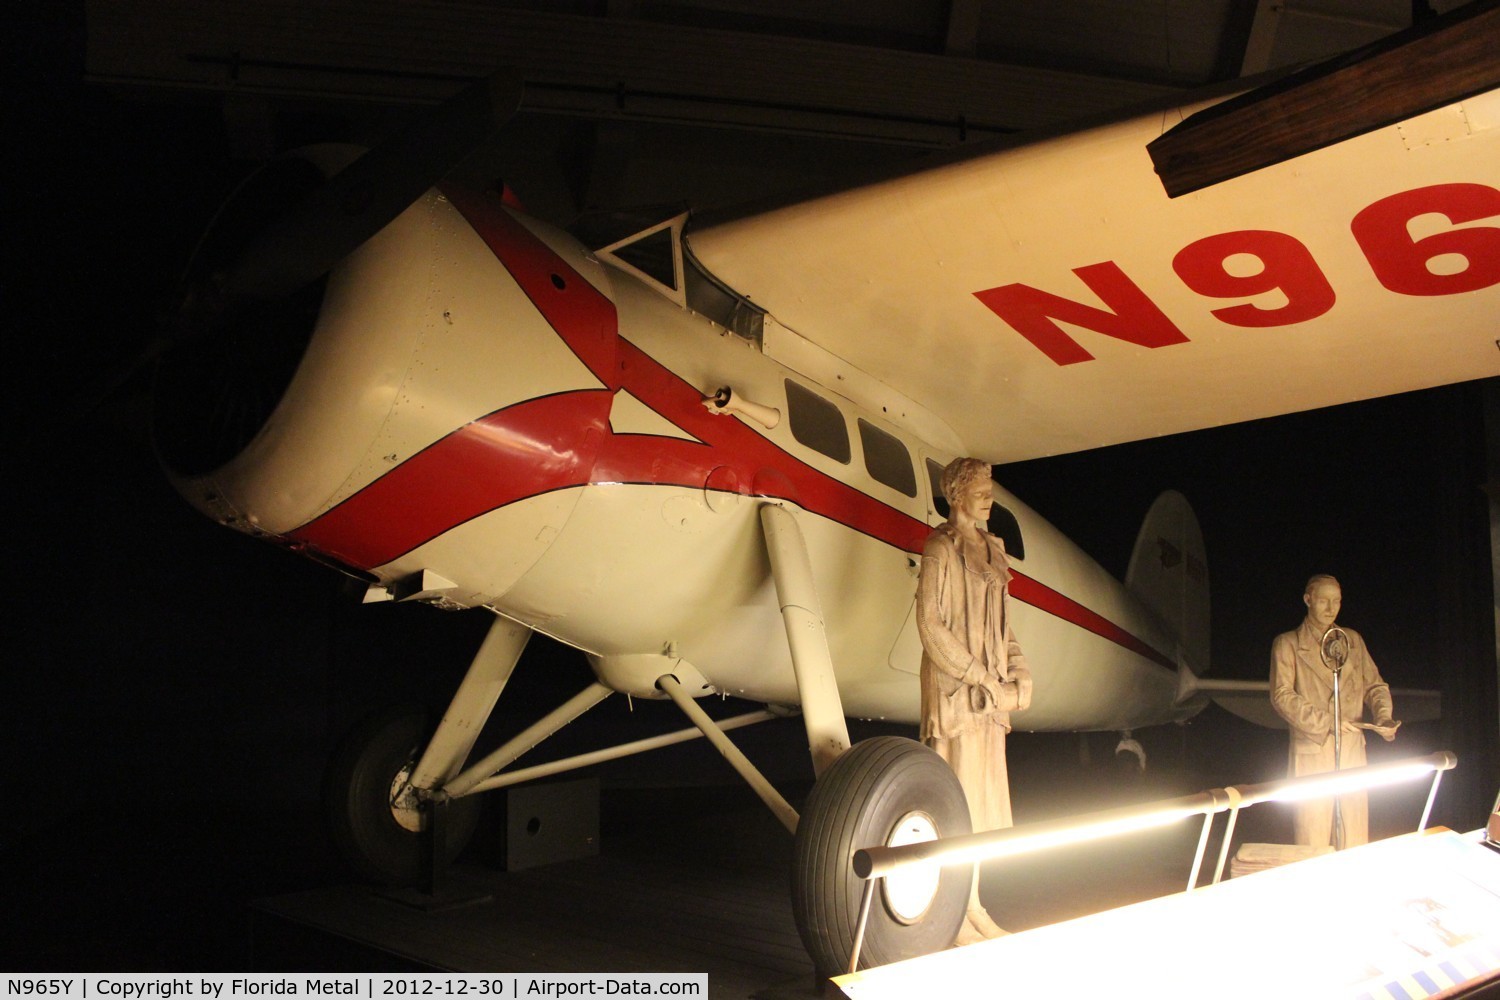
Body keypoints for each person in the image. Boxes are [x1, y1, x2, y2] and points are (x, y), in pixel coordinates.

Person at [917, 457, 1032, 943]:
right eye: (982, 491)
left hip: (989, 700)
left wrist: (1018, 672)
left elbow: (1002, 629)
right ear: (958, 496)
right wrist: (978, 674)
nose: (989, 499)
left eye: (990, 491)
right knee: (956, 803)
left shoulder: (995, 551)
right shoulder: (940, 548)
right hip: (956, 695)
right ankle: (953, 912)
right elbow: (930, 623)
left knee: (982, 804)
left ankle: (974, 903)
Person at [1269, 574, 1400, 848]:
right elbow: (1282, 696)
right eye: (1323, 601)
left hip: (1352, 749)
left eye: (1337, 601)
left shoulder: (1352, 641)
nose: (1331, 608)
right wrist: (1327, 722)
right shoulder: (1288, 644)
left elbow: (1374, 685)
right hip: (1313, 751)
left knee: (1354, 835)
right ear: (1308, 600)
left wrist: (1383, 715)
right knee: (1312, 836)